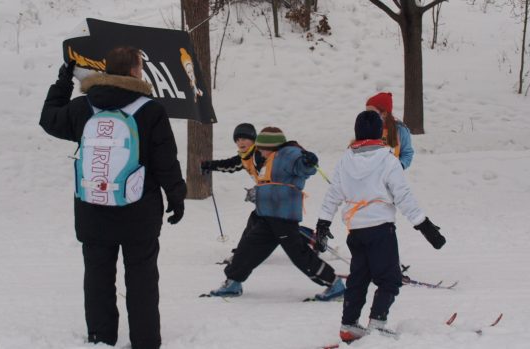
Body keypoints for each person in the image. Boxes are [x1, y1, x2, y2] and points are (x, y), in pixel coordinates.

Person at [40, 46, 187, 349]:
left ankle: (100, 337)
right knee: (142, 278)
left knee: (97, 276)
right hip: (139, 211)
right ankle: (145, 341)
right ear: (135, 71)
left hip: (93, 208)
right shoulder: (150, 109)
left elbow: (49, 120)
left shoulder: (84, 106)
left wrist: (62, 82)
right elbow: (164, 160)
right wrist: (176, 195)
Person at [315, 111, 446, 342]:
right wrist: (424, 225)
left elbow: (333, 194)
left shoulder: (346, 159)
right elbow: (403, 196)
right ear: (379, 133)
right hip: (381, 230)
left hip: (356, 231)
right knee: (390, 278)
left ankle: (349, 325)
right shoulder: (387, 159)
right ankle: (377, 323)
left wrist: (323, 223)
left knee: (359, 278)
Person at [209, 127, 345, 301]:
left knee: (299, 254)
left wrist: (308, 161)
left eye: (262, 149)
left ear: (271, 146)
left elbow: (304, 168)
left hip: (283, 215)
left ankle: (335, 284)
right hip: (267, 215)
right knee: (248, 248)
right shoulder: (270, 158)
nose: (260, 153)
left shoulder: (289, 154)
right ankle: (234, 282)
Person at [200, 123, 265, 263]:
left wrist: (260, 191)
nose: (240, 142)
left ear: (253, 140)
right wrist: (210, 165)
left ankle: (242, 254)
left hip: (278, 197)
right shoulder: (245, 156)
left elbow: (270, 175)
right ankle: (312, 240)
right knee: (279, 227)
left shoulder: (258, 155)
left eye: (244, 139)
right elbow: (230, 165)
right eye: (237, 140)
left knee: (260, 223)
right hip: (271, 198)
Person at [365, 92, 414, 170]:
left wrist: (399, 167)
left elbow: (407, 153)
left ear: (384, 114)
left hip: (392, 176)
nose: (367, 116)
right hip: (372, 177)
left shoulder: (401, 130)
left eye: (371, 113)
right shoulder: (366, 128)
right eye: (366, 112)